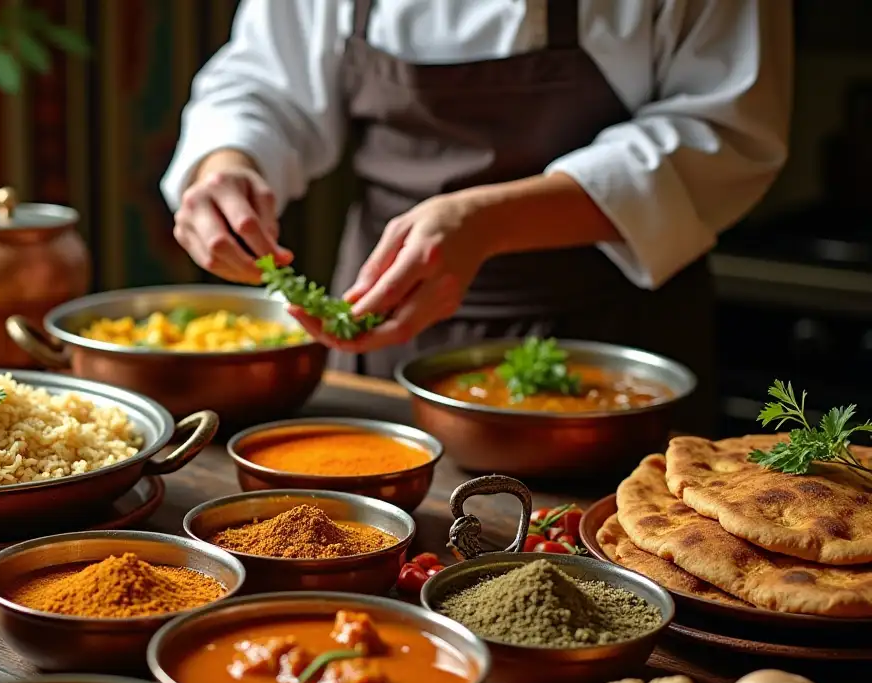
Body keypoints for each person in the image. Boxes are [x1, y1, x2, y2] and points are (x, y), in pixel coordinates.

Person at [161, 0, 792, 427]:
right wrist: (226, 166)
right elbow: (266, 83)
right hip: (380, 339)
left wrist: (488, 221)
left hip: (616, 355)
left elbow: (725, 132)